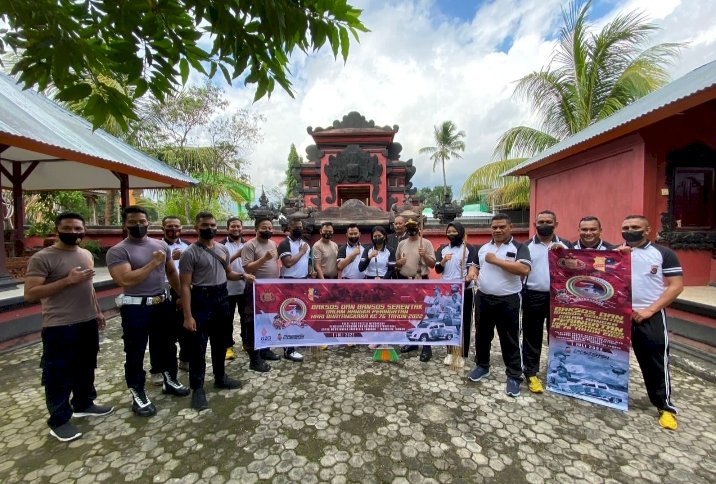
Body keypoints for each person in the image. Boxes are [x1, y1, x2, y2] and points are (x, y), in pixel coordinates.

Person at [24, 212, 113, 442]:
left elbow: (88, 286)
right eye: (68, 228)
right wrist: (67, 281)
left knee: (86, 366)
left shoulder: (85, 254)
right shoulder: (43, 258)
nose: (73, 232)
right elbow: (30, 293)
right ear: (58, 229)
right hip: (59, 325)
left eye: (77, 228)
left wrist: (98, 311)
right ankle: (59, 420)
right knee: (58, 373)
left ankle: (83, 403)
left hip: (87, 321)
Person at [107, 206, 190, 418]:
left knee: (167, 345)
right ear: (125, 224)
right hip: (136, 307)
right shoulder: (118, 251)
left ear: (148, 222)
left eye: (142, 221)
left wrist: (180, 295)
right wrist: (154, 262)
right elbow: (125, 279)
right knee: (135, 351)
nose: (139, 225)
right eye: (133, 222)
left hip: (161, 303)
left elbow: (171, 271)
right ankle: (138, 392)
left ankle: (170, 380)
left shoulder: (161, 245)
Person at [180, 211, 249, 411]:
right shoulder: (189, 253)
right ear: (196, 228)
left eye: (212, 225)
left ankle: (220, 377)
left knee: (220, 343)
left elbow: (229, 274)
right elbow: (185, 286)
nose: (209, 228)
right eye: (204, 225)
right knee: (198, 348)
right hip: (201, 300)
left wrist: (244, 276)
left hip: (221, 297)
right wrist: (187, 315)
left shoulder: (222, 250)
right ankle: (198, 389)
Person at [619, 215, 683, 430]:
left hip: (649, 315)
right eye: (626, 227)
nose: (630, 230)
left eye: (635, 227)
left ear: (647, 230)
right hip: (619, 315)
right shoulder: (617, 252)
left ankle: (664, 406)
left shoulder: (663, 254)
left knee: (654, 361)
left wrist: (649, 310)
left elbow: (676, 286)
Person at [468, 213, 531, 398]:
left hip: (508, 300)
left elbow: (524, 269)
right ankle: (482, 366)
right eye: (494, 227)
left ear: (510, 227)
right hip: (483, 298)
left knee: (509, 338)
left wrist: (495, 260)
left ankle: (513, 376)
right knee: (482, 335)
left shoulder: (519, 247)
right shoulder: (483, 248)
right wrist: (472, 272)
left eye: (502, 226)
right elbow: (475, 265)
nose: (497, 230)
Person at [521, 210, 570, 394]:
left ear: (556, 224)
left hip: (561, 298)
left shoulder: (566, 245)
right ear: (535, 224)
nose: (544, 224)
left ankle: (557, 372)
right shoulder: (526, 246)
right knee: (532, 336)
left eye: (548, 221)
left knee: (558, 338)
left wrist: (565, 255)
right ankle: (531, 373)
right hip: (533, 296)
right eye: (541, 221)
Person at [148, 215, 191, 384]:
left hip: (184, 290)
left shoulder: (188, 246)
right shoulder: (155, 246)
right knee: (160, 333)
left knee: (186, 327)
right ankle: (157, 368)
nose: (174, 230)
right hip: (163, 291)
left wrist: (182, 294)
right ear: (163, 229)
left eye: (177, 226)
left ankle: (185, 359)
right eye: (170, 227)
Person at [434, 221, 477, 366]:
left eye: (454, 231)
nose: (451, 234)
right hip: (447, 292)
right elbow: (438, 270)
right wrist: (443, 261)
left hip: (464, 290)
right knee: (448, 322)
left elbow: (473, 267)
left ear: (461, 232)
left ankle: (462, 354)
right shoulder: (442, 249)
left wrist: (469, 277)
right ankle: (450, 352)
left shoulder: (469, 248)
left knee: (464, 322)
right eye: (449, 231)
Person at [241, 217, 281, 372]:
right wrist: (264, 258)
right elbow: (247, 269)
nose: (268, 230)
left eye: (270, 228)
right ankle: (254, 359)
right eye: (264, 227)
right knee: (253, 323)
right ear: (256, 229)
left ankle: (265, 350)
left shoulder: (273, 244)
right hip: (255, 289)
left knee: (268, 320)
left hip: (271, 289)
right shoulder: (249, 245)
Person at [396, 218, 436, 361]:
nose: (412, 229)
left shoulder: (426, 243)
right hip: (406, 282)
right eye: (409, 227)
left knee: (423, 314)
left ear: (419, 227)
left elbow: (432, 265)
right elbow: (397, 265)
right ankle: (412, 343)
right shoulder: (402, 244)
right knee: (408, 314)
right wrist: (399, 264)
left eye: (414, 227)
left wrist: (424, 254)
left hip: (421, 281)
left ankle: (426, 347)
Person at [276, 218, 309, 362]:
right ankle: (288, 350)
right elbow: (288, 263)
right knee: (289, 316)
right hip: (289, 283)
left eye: (301, 227)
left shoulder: (305, 244)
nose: (299, 229)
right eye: (296, 227)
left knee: (300, 314)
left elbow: (307, 262)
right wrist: (301, 252)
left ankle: (297, 341)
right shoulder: (285, 243)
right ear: (289, 228)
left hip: (302, 281)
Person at [222, 217, 248, 361]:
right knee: (227, 320)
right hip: (227, 289)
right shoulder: (221, 245)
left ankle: (245, 342)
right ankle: (228, 347)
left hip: (245, 288)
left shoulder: (248, 244)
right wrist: (237, 255)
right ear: (227, 228)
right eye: (233, 226)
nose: (236, 229)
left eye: (238, 226)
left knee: (246, 317)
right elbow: (221, 265)